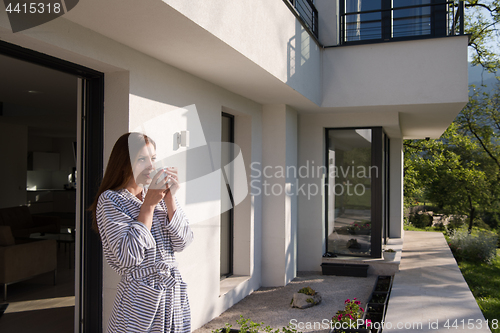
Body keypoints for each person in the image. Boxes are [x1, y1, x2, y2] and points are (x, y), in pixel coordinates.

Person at [89, 132, 194, 333]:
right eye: (142, 159)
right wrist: (148, 206)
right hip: (139, 300)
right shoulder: (111, 200)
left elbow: (183, 242)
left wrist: (170, 199)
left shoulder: (156, 194)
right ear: (123, 163)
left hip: (172, 296)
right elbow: (128, 257)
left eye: (153, 159)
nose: (151, 167)